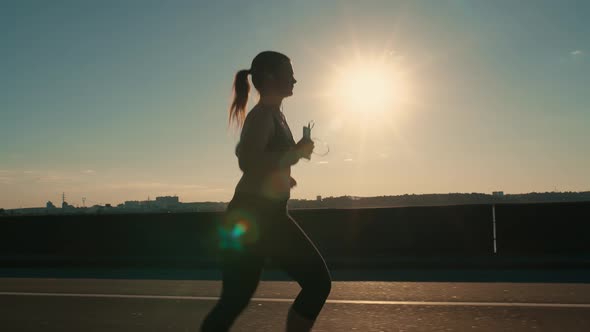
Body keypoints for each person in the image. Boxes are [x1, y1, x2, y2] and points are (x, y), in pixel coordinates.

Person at [200, 51, 332, 332]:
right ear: (271, 77)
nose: (295, 79)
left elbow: (264, 162)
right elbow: (247, 161)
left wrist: (287, 167)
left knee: (235, 299)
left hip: (263, 212)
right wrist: (292, 154)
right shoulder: (261, 116)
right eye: (289, 73)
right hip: (256, 215)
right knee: (318, 283)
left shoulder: (276, 115)